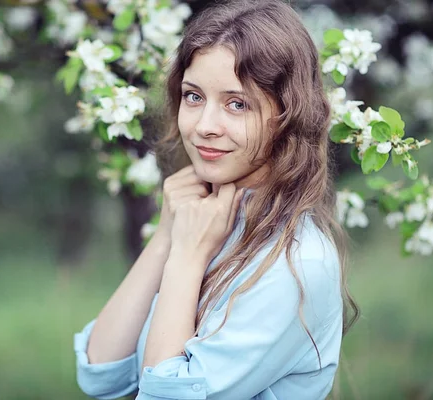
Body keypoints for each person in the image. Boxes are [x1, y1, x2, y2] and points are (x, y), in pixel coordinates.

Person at [74, 0, 359, 398]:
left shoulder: (295, 265)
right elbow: (100, 371)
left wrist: (188, 258)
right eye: (193, 97)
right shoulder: (204, 219)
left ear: (288, 115)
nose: (205, 126)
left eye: (237, 104)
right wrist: (166, 238)